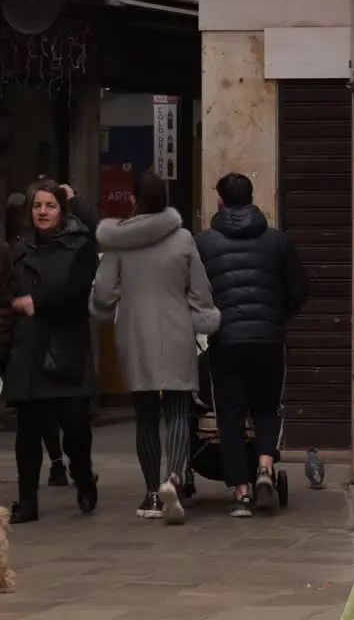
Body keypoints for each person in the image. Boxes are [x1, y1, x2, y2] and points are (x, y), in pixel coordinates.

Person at [91, 171, 220, 524]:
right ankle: (174, 479)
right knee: (178, 408)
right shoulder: (182, 239)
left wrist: (112, 304)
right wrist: (203, 318)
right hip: (177, 331)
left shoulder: (119, 241)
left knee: (146, 414)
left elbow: (103, 293)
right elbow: (200, 290)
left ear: (135, 199)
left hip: (135, 333)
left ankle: (150, 493)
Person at [196, 173, 308, 517]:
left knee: (229, 415)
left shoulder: (204, 243)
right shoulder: (278, 241)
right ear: (252, 198)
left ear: (220, 202)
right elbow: (300, 288)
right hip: (268, 340)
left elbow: (197, 292)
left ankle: (242, 493)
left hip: (225, 341)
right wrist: (277, 316)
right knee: (266, 408)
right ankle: (264, 468)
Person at [3, 179, 99, 523]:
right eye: (37, 206)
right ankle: (27, 500)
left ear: (62, 210)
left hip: (65, 345)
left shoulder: (80, 245)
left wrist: (38, 303)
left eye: (50, 206)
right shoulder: (19, 247)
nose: (43, 212)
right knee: (28, 429)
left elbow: (78, 294)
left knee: (74, 427)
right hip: (28, 346)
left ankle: (84, 477)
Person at [5, 194, 68, 486]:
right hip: (19, 339)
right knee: (39, 411)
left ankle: (59, 463)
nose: (41, 213)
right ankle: (55, 464)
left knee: (39, 408)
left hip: (28, 338)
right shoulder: (15, 249)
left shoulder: (22, 249)